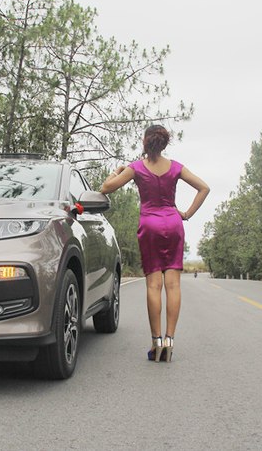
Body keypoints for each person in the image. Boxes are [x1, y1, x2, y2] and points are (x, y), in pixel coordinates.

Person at [100, 125, 210, 363]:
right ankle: (170, 340)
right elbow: (204, 188)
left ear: (145, 142)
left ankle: (156, 342)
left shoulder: (136, 168)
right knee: (173, 285)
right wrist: (186, 214)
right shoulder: (176, 167)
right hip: (173, 223)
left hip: (149, 224)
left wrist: (117, 171)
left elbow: (105, 188)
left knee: (153, 285)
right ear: (164, 143)